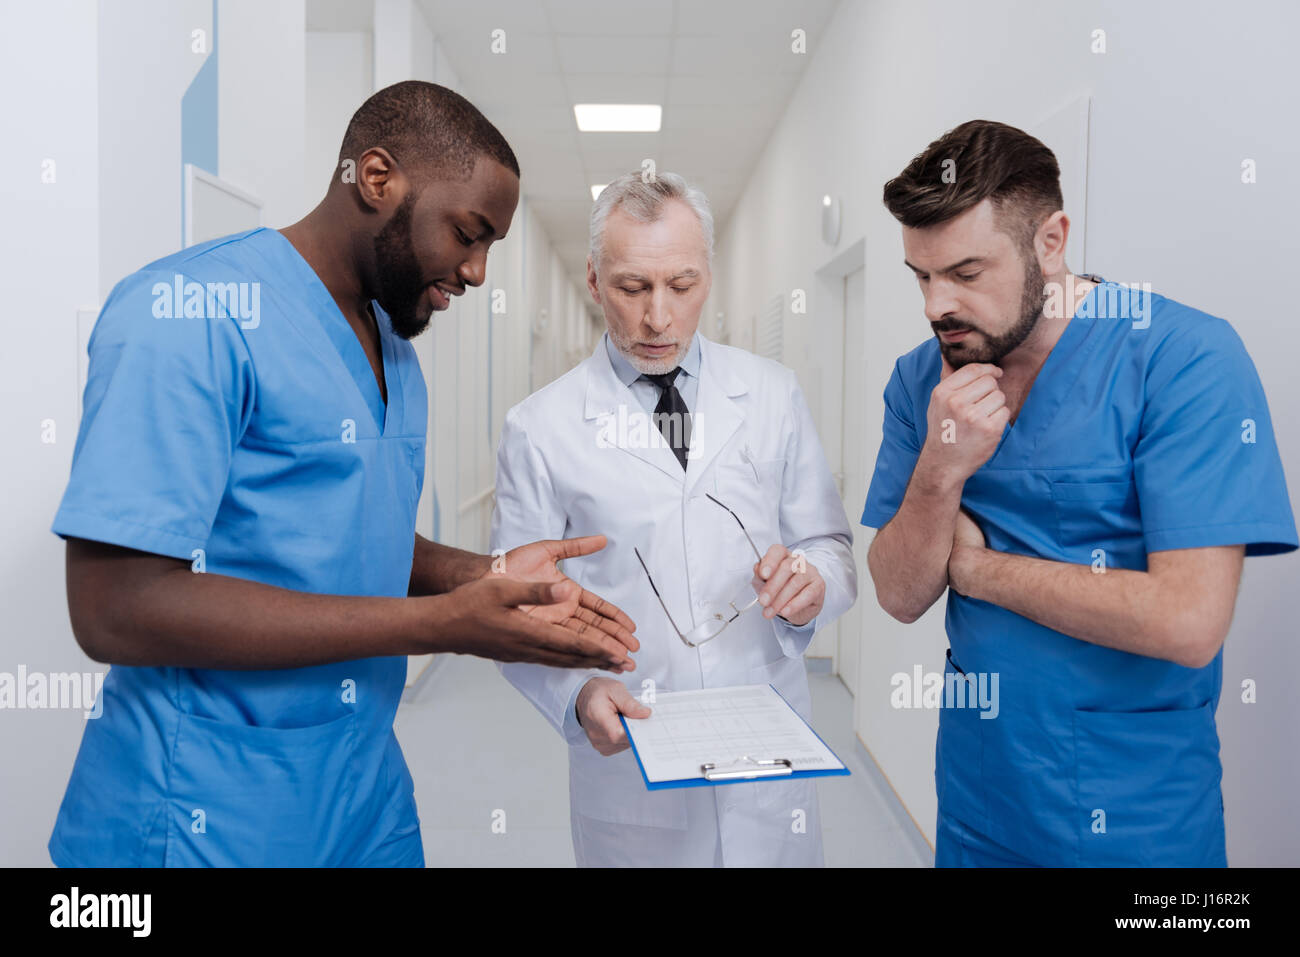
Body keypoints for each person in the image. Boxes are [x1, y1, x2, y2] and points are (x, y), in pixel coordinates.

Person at [49, 81, 638, 867]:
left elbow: (352, 531)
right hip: (202, 812)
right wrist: (448, 624)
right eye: (468, 233)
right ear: (376, 177)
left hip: (360, 797)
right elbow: (114, 607)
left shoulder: (394, 349)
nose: (477, 272)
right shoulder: (188, 315)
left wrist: (488, 573)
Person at [861, 119, 1297, 866]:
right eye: (922, 277)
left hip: (1137, 819)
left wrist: (975, 570)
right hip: (978, 800)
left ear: (1051, 241)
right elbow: (899, 593)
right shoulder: (920, 379)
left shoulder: (1184, 359)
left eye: (966, 272)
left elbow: (1186, 621)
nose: (938, 305)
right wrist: (938, 471)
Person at [492, 171, 857, 867]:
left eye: (681, 286)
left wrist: (812, 583)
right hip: (635, 775)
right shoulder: (540, 428)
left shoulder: (773, 395)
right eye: (633, 288)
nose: (658, 317)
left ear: (708, 278)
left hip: (765, 757)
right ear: (595, 280)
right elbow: (512, 613)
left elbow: (831, 547)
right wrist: (578, 694)